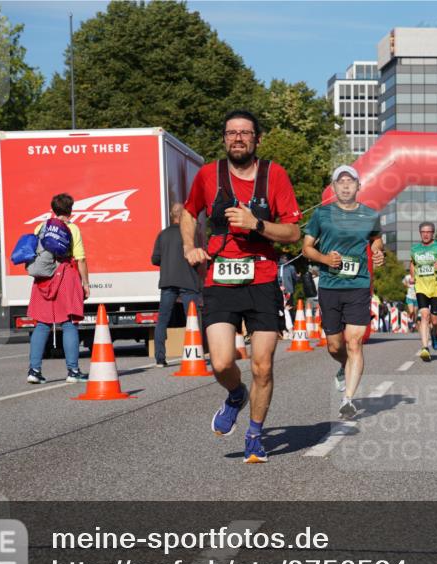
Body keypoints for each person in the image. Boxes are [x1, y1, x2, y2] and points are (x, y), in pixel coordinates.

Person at [181, 109, 301, 464]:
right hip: (219, 275)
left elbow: (294, 233)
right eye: (231, 133)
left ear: (257, 139)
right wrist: (190, 246)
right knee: (219, 362)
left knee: (263, 365)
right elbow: (190, 213)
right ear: (224, 138)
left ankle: (254, 434)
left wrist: (257, 223)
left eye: (245, 133)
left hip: (262, 277)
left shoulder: (274, 174)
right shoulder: (208, 175)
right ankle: (235, 394)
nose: (237, 138)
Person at [303, 165, 384, 418]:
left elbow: (376, 239)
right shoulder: (321, 215)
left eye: (351, 181)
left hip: (359, 285)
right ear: (334, 187)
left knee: (355, 342)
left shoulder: (370, 215)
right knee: (335, 345)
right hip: (330, 286)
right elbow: (307, 248)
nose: (346, 185)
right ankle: (342, 366)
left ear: (359, 186)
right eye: (341, 181)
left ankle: (348, 399)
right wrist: (325, 260)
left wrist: (378, 250)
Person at [26, 193, 90, 384]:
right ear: (70, 210)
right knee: (69, 323)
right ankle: (73, 371)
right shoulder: (73, 229)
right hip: (66, 275)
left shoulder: (41, 227)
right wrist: (85, 283)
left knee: (42, 324)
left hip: (43, 278)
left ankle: (34, 370)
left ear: (53, 209)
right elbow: (80, 259)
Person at [151, 203, 203, 367]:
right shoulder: (190, 234)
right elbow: (198, 257)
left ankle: (160, 358)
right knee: (193, 319)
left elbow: (154, 259)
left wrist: (168, 259)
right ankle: (196, 353)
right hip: (188, 280)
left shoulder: (162, 234)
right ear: (183, 216)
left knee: (163, 319)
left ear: (172, 216)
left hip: (167, 282)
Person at [409, 222, 437, 360]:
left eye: (428, 232)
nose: (425, 234)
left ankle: (434, 334)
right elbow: (412, 263)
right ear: (420, 233)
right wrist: (412, 276)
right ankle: (424, 347)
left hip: (436, 289)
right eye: (423, 232)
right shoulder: (414, 249)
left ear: (432, 233)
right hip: (421, 287)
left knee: (434, 321)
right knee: (424, 315)